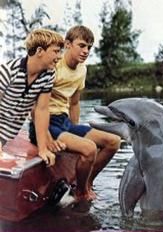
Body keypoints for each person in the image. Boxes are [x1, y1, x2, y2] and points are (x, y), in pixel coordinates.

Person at [29, 25, 121, 202]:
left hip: (64, 122)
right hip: (45, 124)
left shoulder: (82, 70)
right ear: (68, 44)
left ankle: (85, 183)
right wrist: (45, 136)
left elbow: (74, 102)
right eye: (81, 45)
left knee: (113, 141)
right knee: (89, 148)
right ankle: (81, 194)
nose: (86, 51)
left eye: (89, 47)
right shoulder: (53, 66)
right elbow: (34, 105)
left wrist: (74, 133)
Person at [0, 28, 64, 166]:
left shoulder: (48, 74)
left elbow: (41, 110)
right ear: (40, 51)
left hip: (6, 135)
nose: (60, 56)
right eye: (56, 51)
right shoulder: (8, 72)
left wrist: (43, 149)